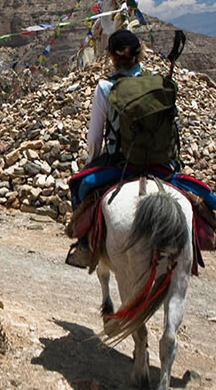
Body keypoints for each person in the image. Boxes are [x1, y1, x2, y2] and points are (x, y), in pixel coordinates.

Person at [66, 28, 145, 267]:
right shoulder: (155, 83)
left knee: (78, 186)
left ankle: (84, 247)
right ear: (139, 55)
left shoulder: (105, 88)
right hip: (159, 162)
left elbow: (95, 137)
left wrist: (91, 162)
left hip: (120, 162)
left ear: (111, 56)